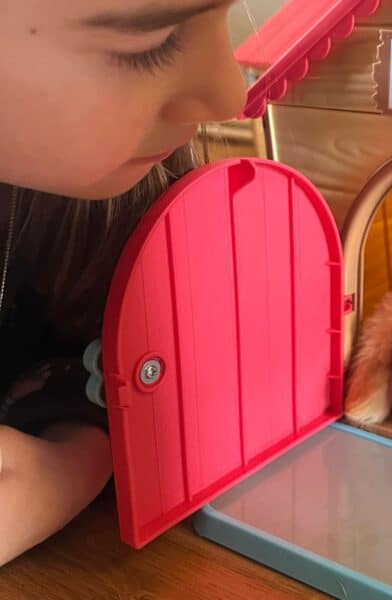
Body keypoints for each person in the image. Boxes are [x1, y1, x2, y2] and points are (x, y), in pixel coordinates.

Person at [0, 0, 247, 566]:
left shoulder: (116, 203)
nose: (230, 95)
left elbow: (102, 363)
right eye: (151, 42)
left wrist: (73, 460)